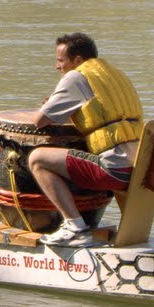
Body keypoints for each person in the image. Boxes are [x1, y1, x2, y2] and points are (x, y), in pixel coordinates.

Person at [28, 32, 142, 247]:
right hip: (138, 168)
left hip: (114, 171)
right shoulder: (114, 74)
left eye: (61, 60)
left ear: (77, 60)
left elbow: (39, 120)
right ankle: (131, 236)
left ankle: (75, 228)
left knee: (37, 159)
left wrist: (49, 104)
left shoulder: (76, 76)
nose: (57, 67)